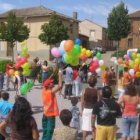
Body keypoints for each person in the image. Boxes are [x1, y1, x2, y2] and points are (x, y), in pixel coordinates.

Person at [41, 70, 62, 140]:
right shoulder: (51, 92)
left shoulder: (44, 90)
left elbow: (45, 83)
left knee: (45, 129)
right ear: (49, 85)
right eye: (51, 83)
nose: (52, 83)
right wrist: (60, 75)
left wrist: (51, 75)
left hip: (45, 113)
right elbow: (60, 86)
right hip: (50, 115)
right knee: (50, 131)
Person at [81, 75, 99, 140]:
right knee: (93, 127)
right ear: (95, 83)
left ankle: (84, 138)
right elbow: (98, 102)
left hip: (86, 109)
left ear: (88, 82)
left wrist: (82, 110)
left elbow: (82, 101)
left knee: (85, 127)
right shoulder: (96, 91)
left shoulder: (84, 90)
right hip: (94, 110)